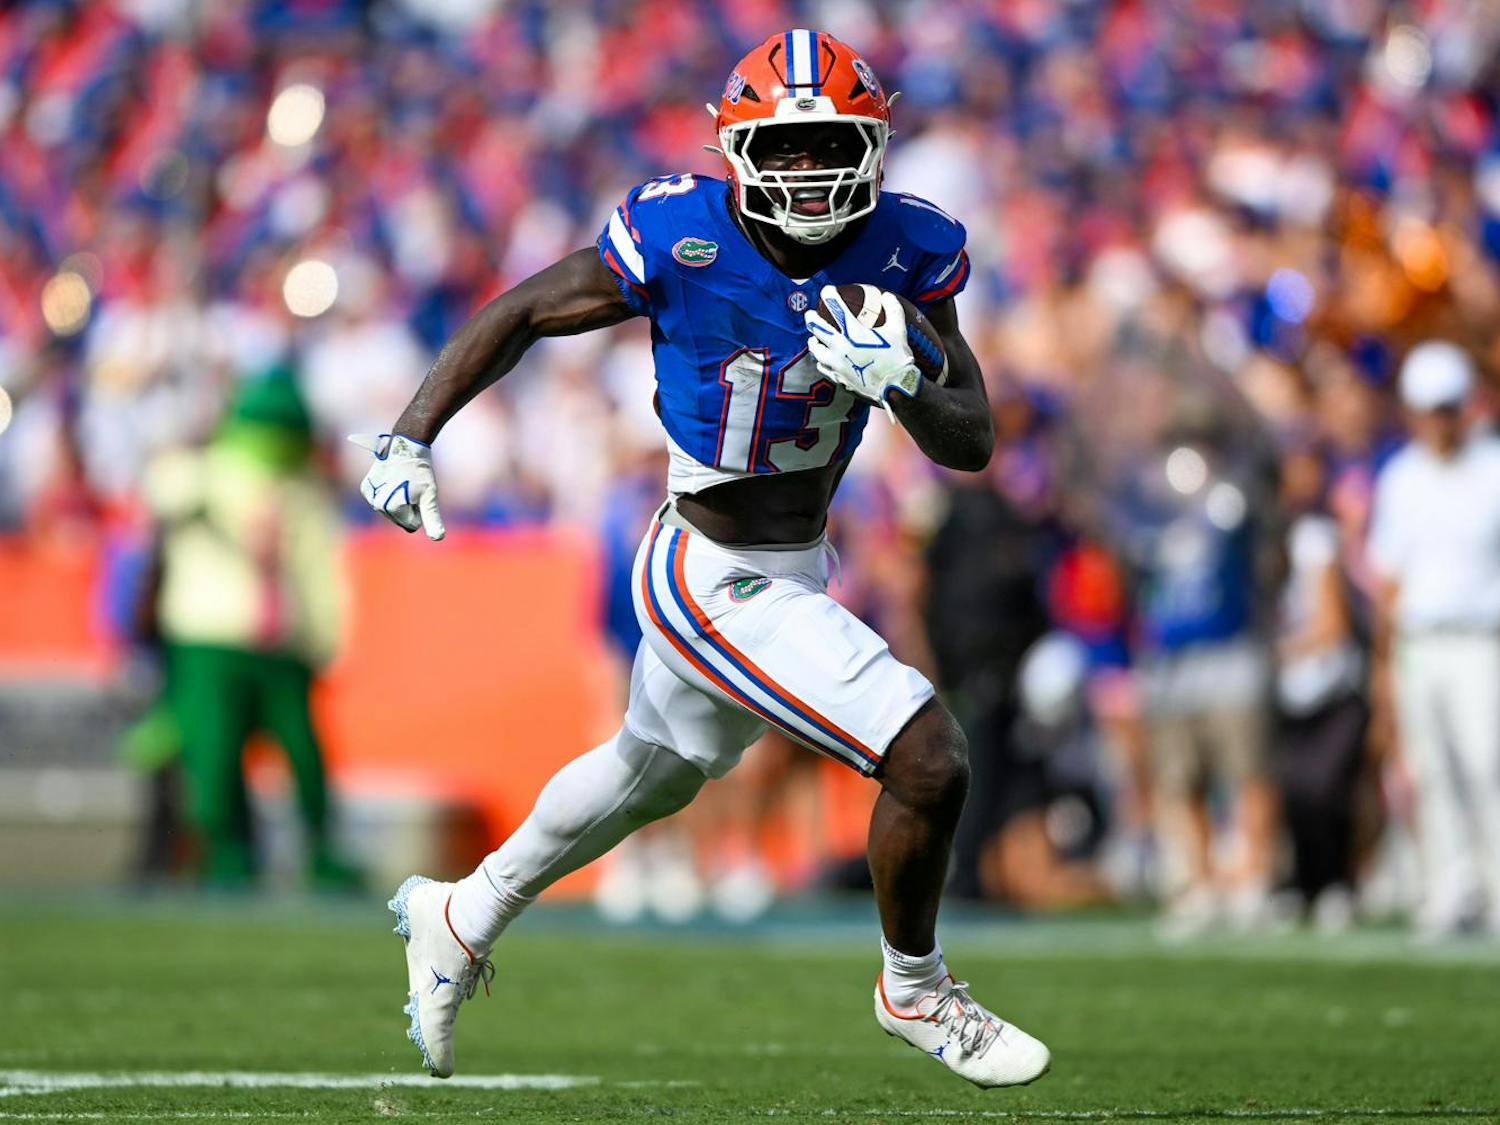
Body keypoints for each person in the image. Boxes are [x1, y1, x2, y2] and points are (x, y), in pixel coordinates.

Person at [353, 30, 1050, 1088]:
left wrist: (904, 382)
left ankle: (460, 914)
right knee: (929, 758)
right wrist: (411, 436)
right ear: (738, 150)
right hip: (707, 566)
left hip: (798, 559)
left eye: (831, 144)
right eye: (787, 146)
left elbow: (972, 439)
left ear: (872, 146)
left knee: (650, 774)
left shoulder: (907, 247)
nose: (809, 169)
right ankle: (915, 989)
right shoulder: (680, 233)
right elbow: (525, 310)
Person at [143, 370, 359, 890]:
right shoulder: (208, 472)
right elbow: (163, 489)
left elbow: (321, 570)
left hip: (284, 643)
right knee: (215, 751)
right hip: (211, 639)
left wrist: (329, 640)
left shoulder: (305, 491)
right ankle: (227, 853)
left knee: (305, 753)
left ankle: (320, 850)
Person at [1369, 341, 1500, 940]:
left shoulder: (1493, 469)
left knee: (1487, 763)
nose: (1439, 422)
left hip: (1481, 639)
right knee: (1431, 771)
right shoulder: (1401, 478)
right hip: (1420, 641)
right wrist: (1383, 662)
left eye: (1447, 408)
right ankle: (1452, 888)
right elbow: (1390, 579)